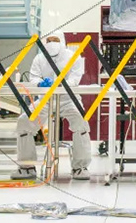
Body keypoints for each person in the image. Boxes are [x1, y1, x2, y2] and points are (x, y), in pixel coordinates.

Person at [15, 34, 92, 180]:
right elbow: (34, 77)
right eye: (49, 41)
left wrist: (60, 84)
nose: (51, 43)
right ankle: (27, 167)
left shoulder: (73, 56)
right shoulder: (39, 58)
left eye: (55, 40)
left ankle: (80, 168)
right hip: (46, 99)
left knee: (81, 122)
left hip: (68, 99)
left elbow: (75, 79)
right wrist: (40, 84)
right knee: (24, 121)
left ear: (62, 41)